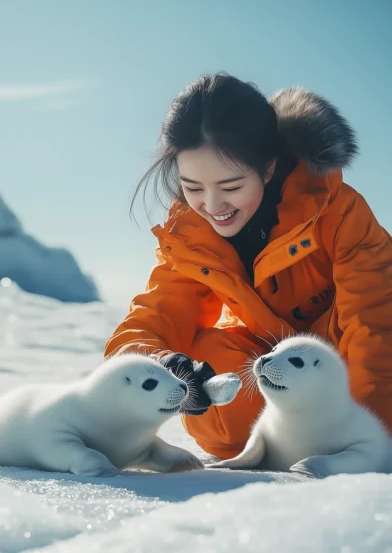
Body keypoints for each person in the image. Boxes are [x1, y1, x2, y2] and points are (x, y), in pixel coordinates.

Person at [104, 73, 392, 460]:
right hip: (272, 366)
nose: (212, 206)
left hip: (347, 364)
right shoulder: (190, 237)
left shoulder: (338, 211)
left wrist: (368, 440)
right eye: (193, 188)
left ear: (269, 168)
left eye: (231, 187)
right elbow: (150, 321)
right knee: (209, 369)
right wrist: (162, 364)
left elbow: (376, 323)